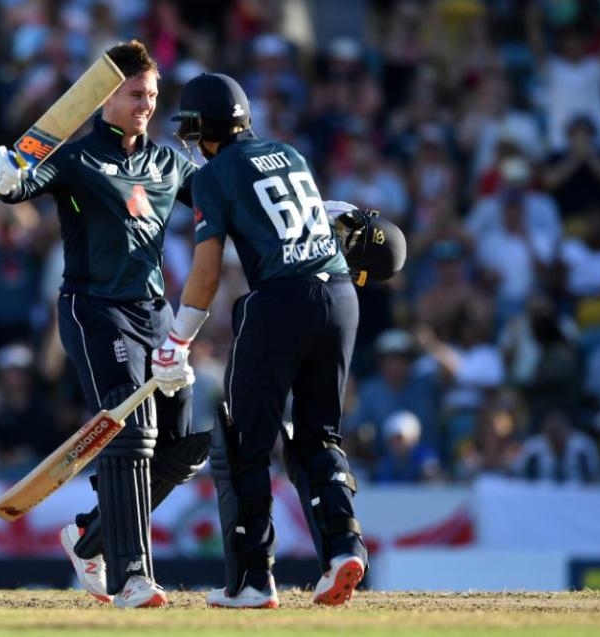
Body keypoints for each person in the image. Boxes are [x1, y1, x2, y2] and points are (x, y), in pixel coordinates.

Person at [0, 40, 209, 609]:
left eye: (152, 95)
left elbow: (222, 206)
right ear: (105, 97)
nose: (146, 105)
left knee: (184, 450)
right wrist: (4, 173)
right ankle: (132, 577)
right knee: (130, 432)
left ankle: (89, 538)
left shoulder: (168, 163)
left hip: (157, 315)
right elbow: (21, 186)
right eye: (135, 94)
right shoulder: (77, 158)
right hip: (94, 310)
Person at [155, 72, 401, 608]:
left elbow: (205, 272)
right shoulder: (290, 153)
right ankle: (343, 547)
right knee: (318, 436)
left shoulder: (217, 173)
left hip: (280, 302)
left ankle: (250, 581)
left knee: (244, 439)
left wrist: (178, 338)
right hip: (340, 296)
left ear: (202, 128)